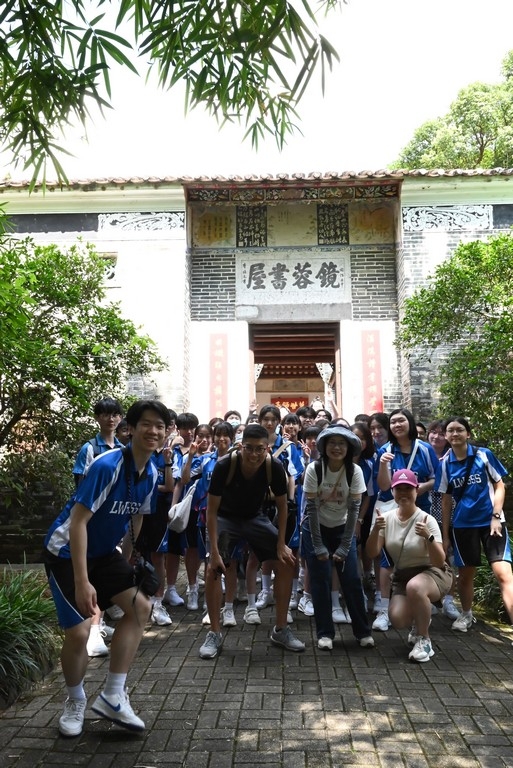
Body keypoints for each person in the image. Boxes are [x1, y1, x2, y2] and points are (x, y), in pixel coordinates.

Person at [42, 399, 172, 737]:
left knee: (140, 607)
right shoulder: (107, 465)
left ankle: (113, 696)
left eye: (160, 426)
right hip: (66, 552)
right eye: (146, 424)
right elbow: (78, 522)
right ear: (131, 429)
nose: (153, 431)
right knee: (80, 632)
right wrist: (83, 581)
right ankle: (75, 701)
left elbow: (137, 517)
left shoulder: (151, 472)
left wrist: (126, 561)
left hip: (103, 553)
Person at [199, 424, 305, 659]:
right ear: (240, 446)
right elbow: (212, 511)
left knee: (287, 561)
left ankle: (281, 629)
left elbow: (283, 507)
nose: (254, 454)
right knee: (213, 569)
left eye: (260, 449)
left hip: (255, 518)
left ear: (267, 448)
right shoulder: (224, 465)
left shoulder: (273, 466)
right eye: (249, 448)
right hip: (225, 518)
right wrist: (214, 551)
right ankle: (214, 633)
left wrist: (281, 544)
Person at [436, 416, 513, 633]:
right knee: (466, 574)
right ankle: (466, 614)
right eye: (450, 430)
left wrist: (496, 516)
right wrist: (445, 536)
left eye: (459, 429)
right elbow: (445, 501)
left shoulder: (483, 455)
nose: (455, 434)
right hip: (463, 525)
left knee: (503, 574)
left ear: (468, 434)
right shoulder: (445, 464)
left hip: (492, 523)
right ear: (446, 436)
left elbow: (500, 486)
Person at [366, 469, 452, 663]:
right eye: (399, 489)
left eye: (408, 488)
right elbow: (372, 553)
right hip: (404, 575)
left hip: (433, 573)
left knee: (416, 587)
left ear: (416, 490)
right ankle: (421, 617)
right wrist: (376, 529)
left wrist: (428, 537)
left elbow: (439, 561)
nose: (403, 493)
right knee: (397, 619)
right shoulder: (385, 518)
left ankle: (424, 640)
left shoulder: (427, 520)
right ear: (393, 491)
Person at [301, 425, 374, 650]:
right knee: (320, 581)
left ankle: (363, 632)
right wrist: (318, 545)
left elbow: (354, 509)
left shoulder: (355, 471)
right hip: (316, 528)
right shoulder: (314, 469)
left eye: (342, 443)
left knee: (351, 579)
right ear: (324, 446)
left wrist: (345, 545)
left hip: (343, 528)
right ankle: (325, 633)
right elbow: (311, 508)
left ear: (349, 448)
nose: (337, 447)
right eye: (332, 443)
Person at [373, 408, 438, 632]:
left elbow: (436, 479)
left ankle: (420, 605)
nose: (397, 425)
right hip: (392, 512)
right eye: (393, 422)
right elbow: (383, 486)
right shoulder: (385, 450)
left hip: (420, 510)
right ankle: (383, 608)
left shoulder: (425, 449)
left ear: (410, 422)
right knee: (386, 560)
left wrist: (419, 489)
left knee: (419, 556)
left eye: (401, 420)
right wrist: (383, 464)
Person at [72, 396, 124, 656]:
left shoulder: (124, 448)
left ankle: (98, 624)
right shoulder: (89, 448)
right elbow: (81, 485)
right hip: (91, 519)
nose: (110, 419)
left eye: (114, 414)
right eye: (105, 414)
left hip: (112, 520)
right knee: (91, 572)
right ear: (97, 418)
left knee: (104, 571)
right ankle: (93, 631)